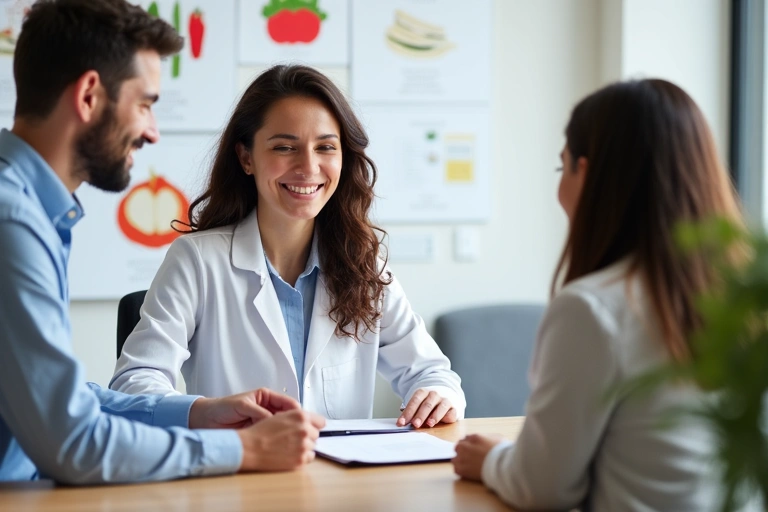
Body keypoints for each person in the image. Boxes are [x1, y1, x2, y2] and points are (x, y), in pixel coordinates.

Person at [0, 0, 325, 484]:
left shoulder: (31, 210)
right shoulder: (13, 220)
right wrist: (240, 448)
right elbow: (72, 442)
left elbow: (62, 399)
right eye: (146, 104)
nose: (152, 131)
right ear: (89, 95)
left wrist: (198, 412)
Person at [110, 64, 466, 428]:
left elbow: (433, 374)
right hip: (237, 472)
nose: (308, 167)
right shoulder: (197, 261)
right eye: (285, 147)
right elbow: (134, 384)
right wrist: (206, 412)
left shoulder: (364, 261)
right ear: (246, 158)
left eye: (326, 147)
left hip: (342, 481)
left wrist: (438, 395)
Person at [452, 79, 746, 510]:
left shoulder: (592, 309)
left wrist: (492, 458)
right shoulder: (744, 297)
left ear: (585, 174)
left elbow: (544, 488)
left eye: (562, 168)